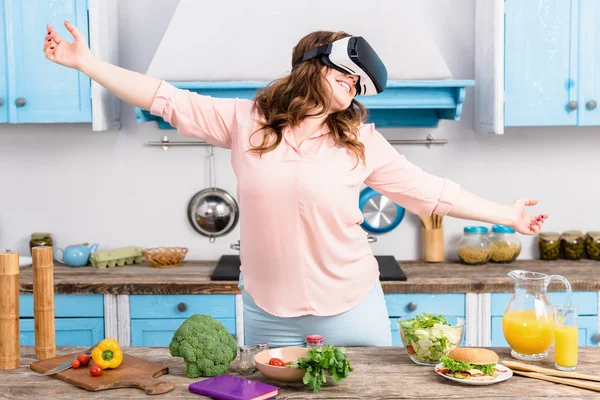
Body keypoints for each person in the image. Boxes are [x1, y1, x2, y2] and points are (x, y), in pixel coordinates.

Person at [43, 22, 547, 347]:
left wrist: (509, 215)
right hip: (267, 314)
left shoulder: (361, 142)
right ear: (315, 64)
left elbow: (433, 191)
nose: (354, 92)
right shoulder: (246, 123)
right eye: (348, 78)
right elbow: (165, 98)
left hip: (353, 310)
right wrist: (86, 63)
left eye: (359, 89)